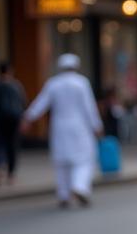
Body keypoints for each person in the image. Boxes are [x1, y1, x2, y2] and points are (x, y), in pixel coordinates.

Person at [21, 54, 102, 208]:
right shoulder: (81, 83)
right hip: (80, 126)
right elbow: (89, 107)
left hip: (59, 127)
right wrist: (97, 126)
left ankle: (64, 194)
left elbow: (41, 103)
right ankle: (80, 187)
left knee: (61, 162)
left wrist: (28, 118)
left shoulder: (53, 83)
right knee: (84, 159)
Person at [0, 61, 25, 185]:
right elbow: (23, 102)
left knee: (0, 143)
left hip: (0, 118)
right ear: (10, 71)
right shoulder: (16, 85)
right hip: (14, 119)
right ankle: (11, 175)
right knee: (12, 145)